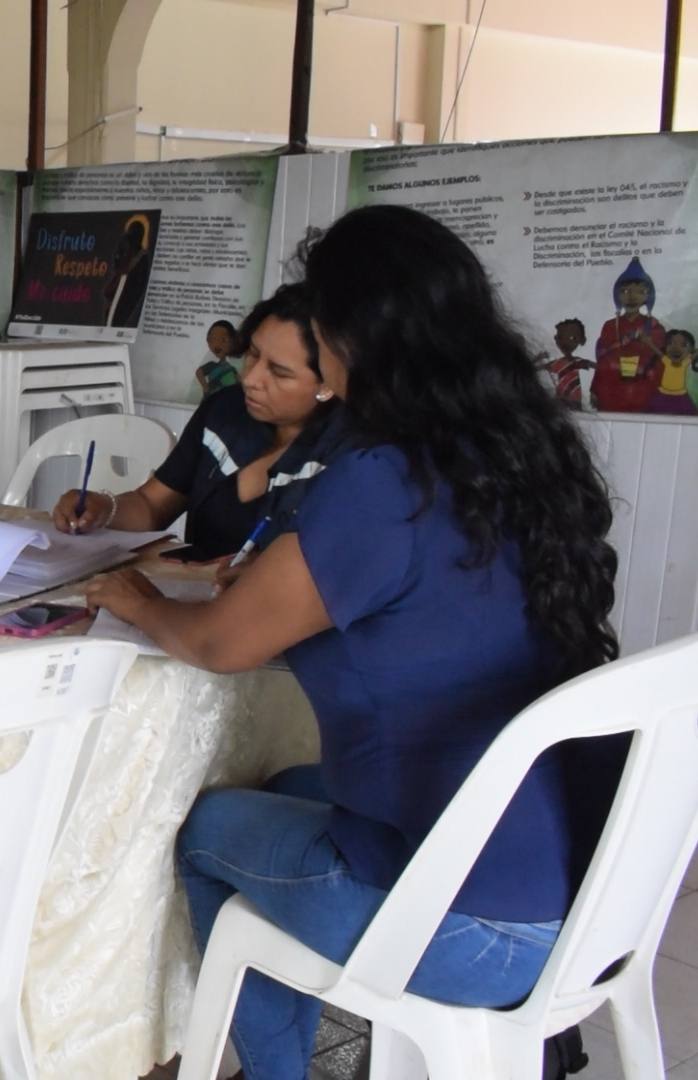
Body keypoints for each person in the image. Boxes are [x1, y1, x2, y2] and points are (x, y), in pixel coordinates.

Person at [85, 206, 623, 1080]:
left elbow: (221, 642)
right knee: (283, 784)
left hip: (474, 926)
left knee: (207, 825)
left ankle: (275, 1072)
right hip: (588, 895)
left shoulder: (381, 479)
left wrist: (142, 601)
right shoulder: (519, 456)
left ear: (347, 342)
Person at [55, 285, 340, 561]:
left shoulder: (351, 454)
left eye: (278, 372)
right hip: (188, 594)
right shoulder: (224, 412)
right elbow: (152, 505)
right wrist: (104, 508)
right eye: (253, 355)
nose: (250, 379)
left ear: (328, 383)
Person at [591, 257, 665, 414]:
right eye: (625, 291)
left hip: (643, 385)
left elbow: (659, 361)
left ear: (648, 296)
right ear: (617, 296)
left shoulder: (655, 327)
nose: (632, 297)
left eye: (640, 291)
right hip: (613, 387)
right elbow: (603, 361)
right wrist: (595, 389)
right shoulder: (610, 326)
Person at [542, 318, 594, 411]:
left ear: (581, 340)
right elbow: (534, 368)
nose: (565, 342)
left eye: (572, 338)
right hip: (561, 400)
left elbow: (597, 366)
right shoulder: (557, 363)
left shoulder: (578, 362)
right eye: (561, 337)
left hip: (574, 401)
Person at [647, 328, 697, 415]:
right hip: (663, 395)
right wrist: (648, 342)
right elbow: (657, 351)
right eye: (670, 343)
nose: (676, 348)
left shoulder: (685, 363)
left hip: (681, 397)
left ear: (690, 349)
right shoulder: (667, 361)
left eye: (684, 345)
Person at [194, 319, 242, 397]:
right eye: (212, 339)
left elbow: (238, 380)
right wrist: (206, 388)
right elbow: (199, 372)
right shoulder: (212, 366)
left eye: (224, 340)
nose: (217, 344)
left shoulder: (231, 368)